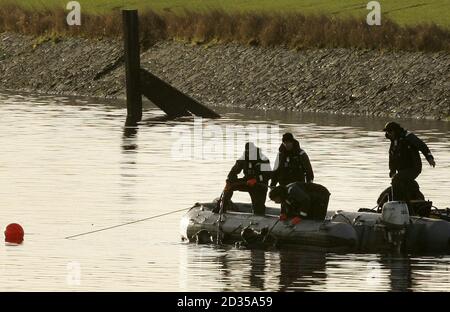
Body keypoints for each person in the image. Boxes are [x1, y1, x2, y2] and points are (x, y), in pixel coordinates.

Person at [383, 121, 435, 201]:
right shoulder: (394, 142)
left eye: (390, 131)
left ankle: (397, 203)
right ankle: (415, 200)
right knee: (399, 182)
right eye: (387, 132)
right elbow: (392, 158)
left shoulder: (408, 137)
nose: (388, 133)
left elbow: (422, 146)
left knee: (396, 179)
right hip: (402, 170)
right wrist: (392, 171)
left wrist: (429, 158)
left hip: (413, 168)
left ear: (395, 131)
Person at [214, 142, 271, 216]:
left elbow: (268, 175)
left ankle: (259, 215)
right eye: (248, 153)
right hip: (247, 181)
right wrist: (229, 180)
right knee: (230, 186)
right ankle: (221, 208)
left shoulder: (263, 159)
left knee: (258, 208)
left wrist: (256, 179)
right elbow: (233, 172)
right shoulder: (243, 159)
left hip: (260, 185)